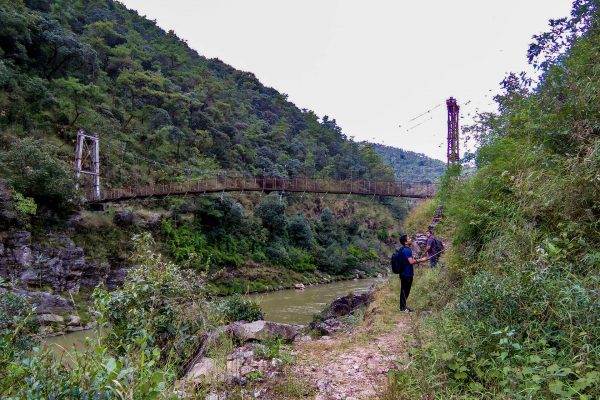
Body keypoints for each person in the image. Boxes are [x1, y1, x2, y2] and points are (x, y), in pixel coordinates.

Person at [398, 234, 428, 312]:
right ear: (405, 242)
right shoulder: (407, 250)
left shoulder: (402, 249)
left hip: (403, 273)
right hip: (407, 274)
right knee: (405, 291)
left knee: (404, 291)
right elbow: (411, 262)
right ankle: (403, 308)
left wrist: (419, 261)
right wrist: (422, 259)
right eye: (408, 239)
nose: (410, 239)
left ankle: (403, 307)